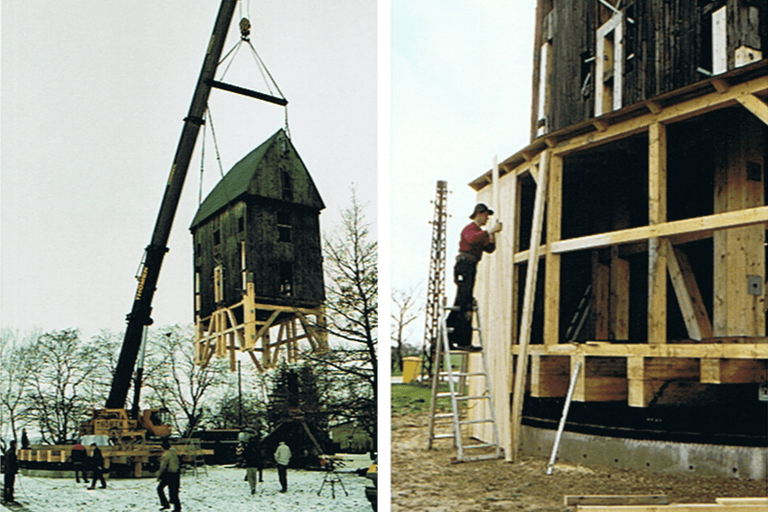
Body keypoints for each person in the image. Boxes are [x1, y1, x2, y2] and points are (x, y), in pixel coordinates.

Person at [446, 203, 502, 350]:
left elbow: (489, 248)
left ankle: (447, 337)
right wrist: (490, 230)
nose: (487, 219)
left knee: (462, 302)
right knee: (465, 303)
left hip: (470, 267)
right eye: (486, 216)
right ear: (479, 214)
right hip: (464, 266)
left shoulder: (480, 232)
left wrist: (493, 235)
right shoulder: (470, 229)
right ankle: (463, 341)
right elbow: (472, 240)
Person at [157, 439, 181, 512]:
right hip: (176, 474)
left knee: (160, 489)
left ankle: (165, 503)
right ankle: (177, 507)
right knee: (174, 491)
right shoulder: (174, 453)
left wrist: (159, 475)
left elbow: (163, 466)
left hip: (168, 474)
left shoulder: (166, 455)